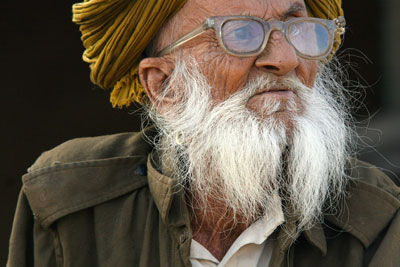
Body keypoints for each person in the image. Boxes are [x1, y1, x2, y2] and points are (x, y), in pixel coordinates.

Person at [7, 0, 400, 266]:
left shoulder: (378, 220)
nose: (285, 59)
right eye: (241, 34)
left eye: (298, 29)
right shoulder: (69, 204)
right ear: (163, 84)